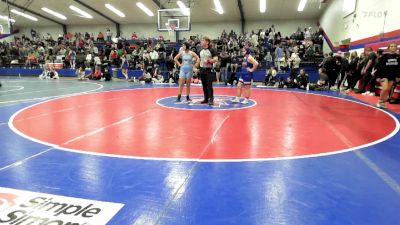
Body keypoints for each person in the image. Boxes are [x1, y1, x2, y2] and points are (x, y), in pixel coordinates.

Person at [376, 43, 399, 108]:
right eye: (392, 46)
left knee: (388, 90)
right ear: (389, 48)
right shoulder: (385, 56)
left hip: (392, 76)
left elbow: (399, 67)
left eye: (395, 46)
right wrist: (378, 77)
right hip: (384, 75)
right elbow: (379, 67)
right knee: (385, 88)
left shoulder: (398, 56)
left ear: (396, 48)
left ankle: (383, 103)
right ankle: (379, 101)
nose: (393, 47)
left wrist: (398, 76)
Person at [199, 37, 218, 105]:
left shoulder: (212, 49)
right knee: (204, 85)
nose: (201, 41)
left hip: (209, 70)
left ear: (207, 42)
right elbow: (200, 60)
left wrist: (210, 61)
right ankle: (206, 98)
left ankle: (211, 99)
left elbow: (216, 59)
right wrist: (196, 67)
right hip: (202, 69)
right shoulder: (200, 50)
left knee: (209, 85)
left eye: (203, 40)